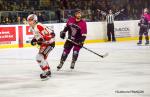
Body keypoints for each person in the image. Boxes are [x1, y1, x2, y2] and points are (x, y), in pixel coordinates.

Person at [27, 14, 55, 79]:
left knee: (39, 57)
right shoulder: (32, 28)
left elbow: (52, 34)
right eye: (28, 20)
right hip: (44, 44)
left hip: (50, 43)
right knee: (41, 58)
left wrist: (42, 39)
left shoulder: (39, 26)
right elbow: (37, 36)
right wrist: (34, 39)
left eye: (31, 20)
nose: (29, 22)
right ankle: (48, 71)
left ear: (35, 20)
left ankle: (46, 72)